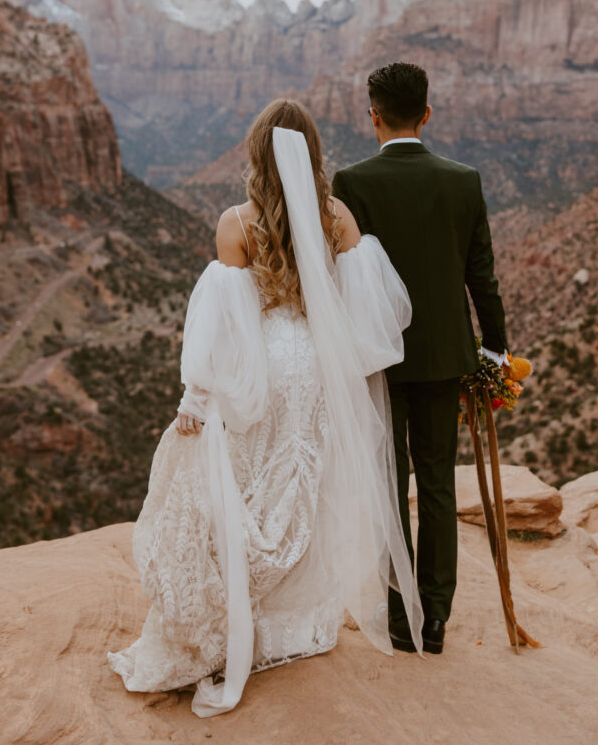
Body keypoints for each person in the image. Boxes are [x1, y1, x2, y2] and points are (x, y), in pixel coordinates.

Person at [107, 98, 424, 718]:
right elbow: (371, 316)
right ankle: (291, 621)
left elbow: (223, 325)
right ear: (313, 154)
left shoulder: (237, 223)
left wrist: (197, 396)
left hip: (264, 365)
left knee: (246, 483)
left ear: (254, 155)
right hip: (317, 366)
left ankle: (233, 613)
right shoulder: (336, 218)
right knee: (299, 484)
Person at [331, 62, 509, 656]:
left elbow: (340, 279)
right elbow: (481, 277)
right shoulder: (465, 180)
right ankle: (436, 618)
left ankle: (400, 615)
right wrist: (495, 352)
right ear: (427, 114)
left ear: (373, 116)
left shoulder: (352, 183)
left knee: (387, 484)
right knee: (436, 485)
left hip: (378, 361)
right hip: (445, 357)